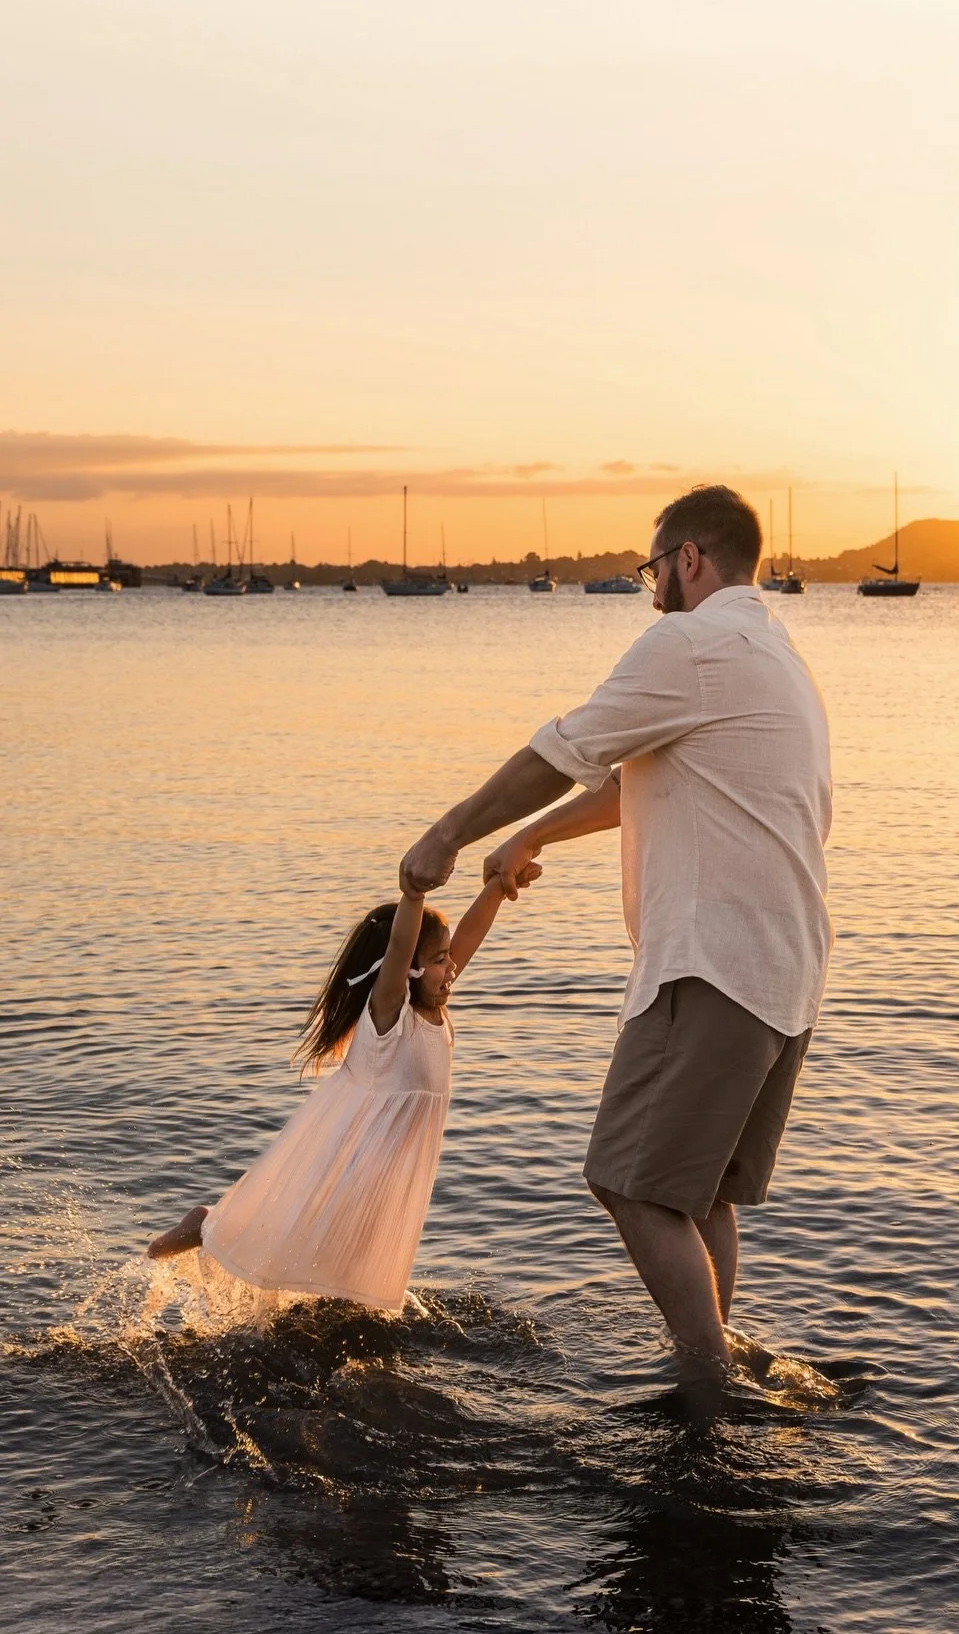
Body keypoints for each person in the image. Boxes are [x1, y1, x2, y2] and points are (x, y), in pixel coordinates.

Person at [401, 484, 832, 1375]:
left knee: (626, 1179)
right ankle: (721, 1374)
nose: (651, 590)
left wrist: (449, 834)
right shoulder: (776, 653)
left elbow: (561, 750)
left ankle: (705, 1378)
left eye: (653, 568)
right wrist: (533, 835)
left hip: (710, 963)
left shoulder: (688, 642)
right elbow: (638, 776)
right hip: (785, 970)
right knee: (698, 1189)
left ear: (687, 560)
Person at [145, 867, 538, 1311]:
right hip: (355, 1153)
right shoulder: (391, 1013)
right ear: (408, 968)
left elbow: (467, 935)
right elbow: (399, 948)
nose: (452, 968)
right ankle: (206, 1224)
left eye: (449, 958)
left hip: (396, 1167)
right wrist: (414, 894)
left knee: (351, 1270)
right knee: (302, 1241)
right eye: (440, 959)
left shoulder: (435, 1002)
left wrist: (498, 887)